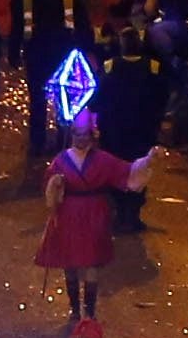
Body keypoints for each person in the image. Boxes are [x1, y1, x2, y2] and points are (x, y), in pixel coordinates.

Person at [36, 122, 123, 319]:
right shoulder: (61, 160)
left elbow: (125, 172)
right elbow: (48, 184)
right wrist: (55, 183)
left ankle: (89, 311)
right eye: (77, 134)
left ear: (91, 137)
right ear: (72, 135)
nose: (81, 138)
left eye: (85, 135)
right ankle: (75, 309)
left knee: (92, 262)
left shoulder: (103, 159)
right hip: (68, 215)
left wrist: (149, 159)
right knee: (70, 262)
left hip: (94, 214)